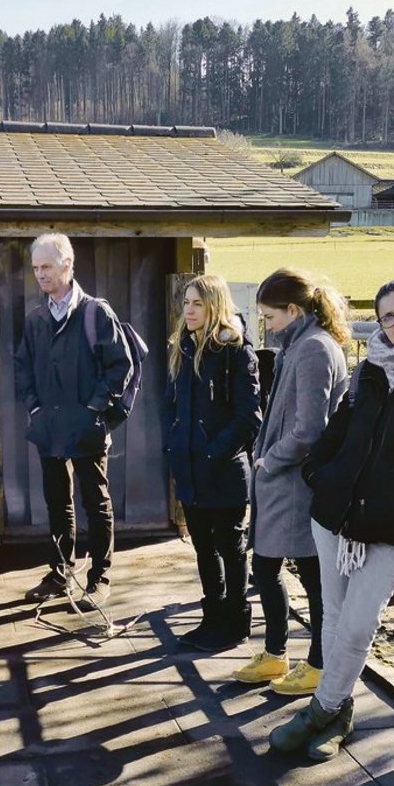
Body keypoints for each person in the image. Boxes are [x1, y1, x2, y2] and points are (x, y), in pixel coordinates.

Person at [268, 277, 394, 760]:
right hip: (334, 516)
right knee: (335, 621)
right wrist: (319, 474)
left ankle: (319, 712)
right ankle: (339, 715)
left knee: (359, 626)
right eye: (386, 316)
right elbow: (337, 429)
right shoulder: (369, 369)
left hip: (392, 527)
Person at [238, 268, 349, 693]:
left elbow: (310, 428)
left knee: (310, 574)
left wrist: (269, 460)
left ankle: (317, 663)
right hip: (285, 481)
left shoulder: (313, 349)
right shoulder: (301, 344)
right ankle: (277, 654)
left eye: (270, 317)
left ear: (293, 310)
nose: (267, 326)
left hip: (295, 482)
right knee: (269, 567)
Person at [14, 233, 132, 606]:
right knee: (57, 501)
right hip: (48, 426)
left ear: (67, 265)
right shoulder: (36, 319)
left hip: (86, 426)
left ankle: (100, 578)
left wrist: (94, 409)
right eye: (36, 268)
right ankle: (61, 572)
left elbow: (120, 366)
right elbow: (22, 367)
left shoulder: (96, 313)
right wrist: (34, 407)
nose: (40, 274)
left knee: (96, 501)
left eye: (46, 266)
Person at [164, 275, 262, 652]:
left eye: (198, 304)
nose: (188, 310)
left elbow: (249, 416)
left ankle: (235, 623)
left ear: (215, 305)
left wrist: (212, 452)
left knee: (230, 549)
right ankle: (212, 619)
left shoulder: (236, 352)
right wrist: (174, 445)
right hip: (190, 469)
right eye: (186, 302)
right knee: (203, 548)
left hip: (224, 472)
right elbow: (171, 406)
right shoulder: (183, 346)